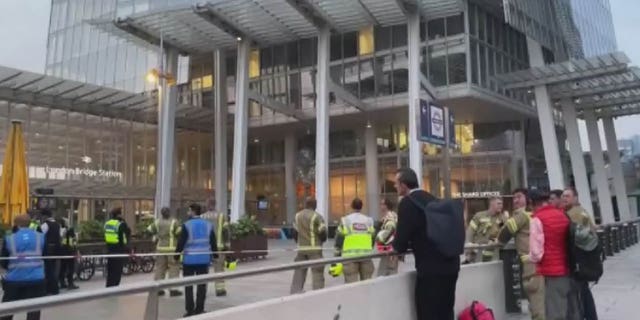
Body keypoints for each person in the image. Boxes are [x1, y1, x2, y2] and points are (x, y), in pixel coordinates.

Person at [392, 168, 459, 320]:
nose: (395, 187)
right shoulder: (432, 199)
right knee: (446, 311)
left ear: (403, 185)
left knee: (428, 312)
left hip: (431, 269)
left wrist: (395, 248)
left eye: (396, 184)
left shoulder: (407, 203)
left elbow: (400, 242)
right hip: (451, 264)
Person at [529, 189, 579, 320]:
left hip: (551, 272)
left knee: (554, 312)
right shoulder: (562, 215)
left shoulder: (537, 219)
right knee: (570, 309)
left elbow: (536, 252)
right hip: (568, 268)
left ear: (532, 204)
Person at [497, 188, 544, 320]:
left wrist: (498, 241)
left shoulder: (523, 215)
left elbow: (504, 234)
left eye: (519, 197)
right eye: (514, 197)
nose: (515, 200)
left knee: (536, 303)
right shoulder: (537, 213)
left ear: (528, 199)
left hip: (531, 265)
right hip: (542, 262)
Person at [1, 214, 47, 320]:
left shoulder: (9, 238)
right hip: (36, 279)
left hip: (14, 279)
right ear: (30, 223)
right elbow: (45, 256)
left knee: (7, 311)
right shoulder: (40, 237)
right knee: (33, 312)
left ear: (15, 224)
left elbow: (3, 261)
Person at [562, 187, 599, 320]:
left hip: (578, 259)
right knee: (584, 291)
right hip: (585, 258)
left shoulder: (574, 214)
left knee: (578, 293)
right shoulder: (582, 211)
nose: (564, 199)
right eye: (563, 196)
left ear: (575, 198)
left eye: (567, 196)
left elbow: (573, 236)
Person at [175, 203, 217, 317]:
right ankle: (199, 309)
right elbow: (213, 241)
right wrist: (216, 255)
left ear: (193, 211)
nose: (188, 213)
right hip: (204, 260)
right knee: (202, 285)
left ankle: (189, 310)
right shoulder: (208, 225)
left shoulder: (187, 225)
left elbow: (181, 242)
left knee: (188, 286)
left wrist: (176, 255)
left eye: (189, 211)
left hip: (189, 260)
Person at [290, 198, 327, 293]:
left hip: (301, 249)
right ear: (315, 205)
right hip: (315, 249)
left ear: (305, 204)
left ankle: (295, 291)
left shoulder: (297, 215)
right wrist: (322, 240)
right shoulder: (317, 216)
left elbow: (294, 232)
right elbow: (322, 232)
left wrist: (299, 242)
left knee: (299, 271)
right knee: (317, 272)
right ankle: (318, 292)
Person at [334, 198, 375, 283]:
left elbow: (339, 239)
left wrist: (337, 256)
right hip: (366, 256)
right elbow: (373, 237)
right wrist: (369, 248)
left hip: (350, 257)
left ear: (351, 207)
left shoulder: (346, 220)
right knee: (366, 284)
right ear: (361, 207)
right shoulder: (368, 221)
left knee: (351, 286)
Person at [147, 207, 182, 297]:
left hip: (160, 249)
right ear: (169, 213)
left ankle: (158, 289)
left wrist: (156, 236)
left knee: (160, 268)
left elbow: (149, 230)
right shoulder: (174, 222)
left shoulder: (157, 222)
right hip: (171, 249)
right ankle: (173, 289)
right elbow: (179, 233)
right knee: (173, 268)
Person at [202, 199, 231, 296]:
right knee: (219, 269)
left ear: (207, 205)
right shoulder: (221, 216)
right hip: (218, 247)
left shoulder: (202, 216)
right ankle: (220, 290)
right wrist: (227, 244)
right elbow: (226, 231)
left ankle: (202, 290)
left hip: (205, 248)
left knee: (203, 270)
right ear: (214, 205)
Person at [465, 197, 505, 263]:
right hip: (477, 251)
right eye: (499, 203)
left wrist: (493, 241)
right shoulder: (479, 216)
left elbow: (501, 232)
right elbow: (470, 232)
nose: (501, 206)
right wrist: (469, 248)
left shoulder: (502, 219)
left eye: (502, 204)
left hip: (493, 252)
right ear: (491, 204)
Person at [104, 208, 131, 287]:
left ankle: (109, 286)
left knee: (110, 271)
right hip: (119, 250)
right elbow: (126, 236)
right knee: (117, 271)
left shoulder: (107, 224)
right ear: (119, 214)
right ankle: (115, 287)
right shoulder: (121, 224)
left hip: (109, 249)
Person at [39, 209, 61, 295]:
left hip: (48, 250)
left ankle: (49, 288)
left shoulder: (45, 225)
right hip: (57, 249)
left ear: (45, 216)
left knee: (48, 269)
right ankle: (55, 288)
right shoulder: (57, 224)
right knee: (54, 269)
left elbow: (40, 236)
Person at [376, 198, 399, 276]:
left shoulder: (390, 217)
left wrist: (379, 239)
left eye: (382, 204)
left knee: (383, 273)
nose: (380, 206)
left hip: (389, 250)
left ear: (386, 206)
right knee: (390, 272)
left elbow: (389, 231)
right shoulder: (391, 215)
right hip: (389, 249)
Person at [59, 218, 79, 290]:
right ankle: (70, 283)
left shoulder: (60, 230)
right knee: (71, 268)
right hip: (70, 251)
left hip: (62, 251)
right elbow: (73, 241)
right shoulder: (70, 230)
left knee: (63, 267)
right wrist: (76, 249)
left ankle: (62, 282)